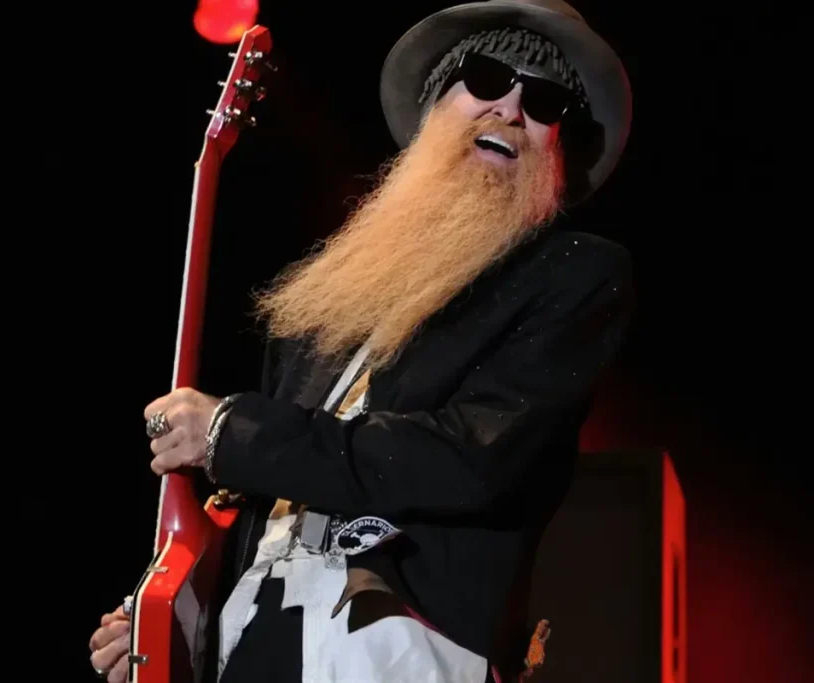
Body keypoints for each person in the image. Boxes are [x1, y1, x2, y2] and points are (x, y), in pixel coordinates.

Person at [90, 0, 634, 681]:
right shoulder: (335, 288)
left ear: (558, 143)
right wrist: (167, 616)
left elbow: (470, 459)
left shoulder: (570, 274)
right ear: (437, 102)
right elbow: (265, 506)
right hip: (253, 645)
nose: (512, 108)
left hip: (403, 648)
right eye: (489, 78)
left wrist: (236, 433)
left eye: (546, 99)